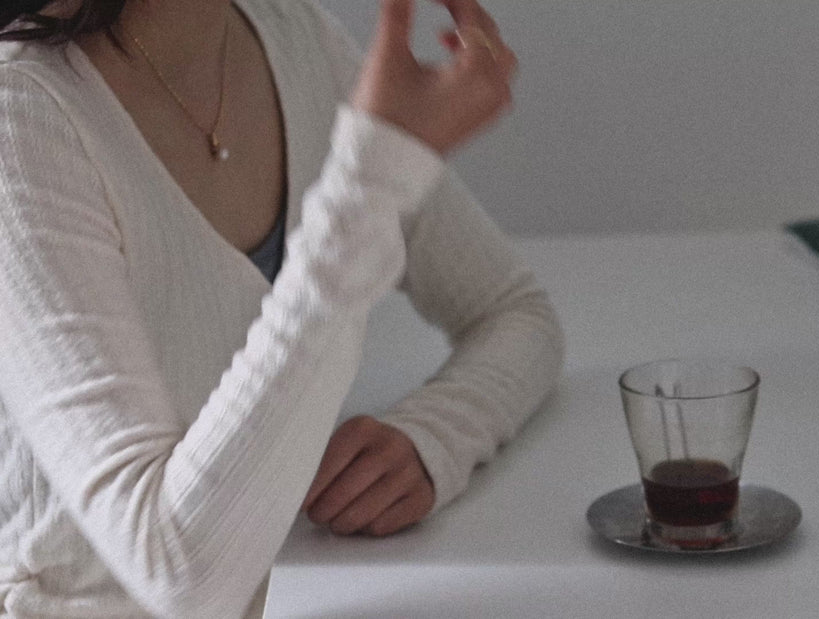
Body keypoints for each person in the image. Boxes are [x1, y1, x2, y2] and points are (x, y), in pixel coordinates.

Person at [0, 0, 564, 616]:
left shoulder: (293, 35)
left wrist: (435, 435)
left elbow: (515, 312)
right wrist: (371, 186)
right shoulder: (21, 118)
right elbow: (177, 576)